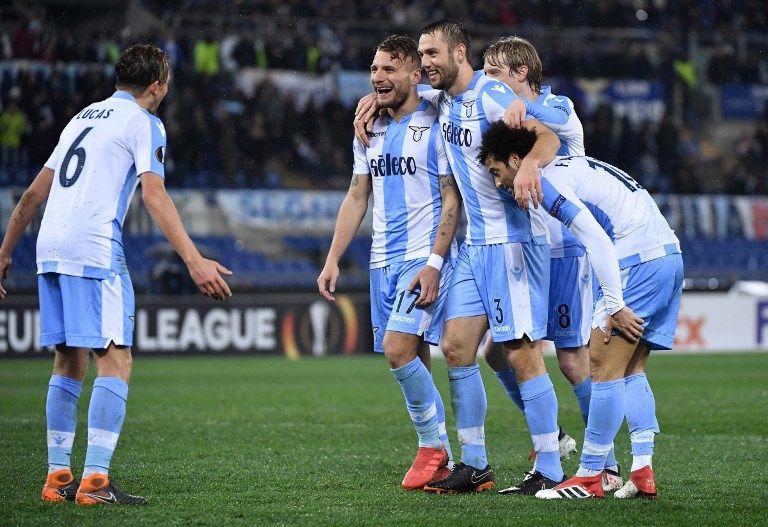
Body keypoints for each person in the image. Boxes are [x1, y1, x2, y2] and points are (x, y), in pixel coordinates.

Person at [0, 44, 233, 506]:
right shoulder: (145, 122)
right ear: (158, 84)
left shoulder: (83, 116)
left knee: (68, 359)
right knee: (116, 359)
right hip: (93, 245)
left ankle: (57, 476)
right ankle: (96, 481)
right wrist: (194, 259)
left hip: (49, 245)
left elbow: (31, 194)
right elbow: (154, 194)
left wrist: (5, 252)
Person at [391, 20, 563, 495]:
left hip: (512, 244)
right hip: (472, 249)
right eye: (421, 56)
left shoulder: (492, 96)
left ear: (459, 52)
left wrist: (529, 162)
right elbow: (404, 95)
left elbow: (548, 138)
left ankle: (550, 466)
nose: (424, 63)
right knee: (455, 348)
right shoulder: (443, 102)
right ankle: (475, 464)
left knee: (522, 353)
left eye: (432, 54)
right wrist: (372, 100)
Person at [476, 122, 682, 500]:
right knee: (630, 368)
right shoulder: (570, 165)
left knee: (601, 366)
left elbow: (597, 238)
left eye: (497, 172)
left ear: (517, 159)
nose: (499, 184)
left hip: (635, 260)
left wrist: (615, 304)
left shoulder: (548, 180)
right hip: (668, 255)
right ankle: (642, 468)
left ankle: (590, 475)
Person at [316, 34, 461, 490]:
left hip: (422, 258)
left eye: (388, 70)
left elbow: (448, 197)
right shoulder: (369, 127)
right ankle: (447, 458)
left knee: (399, 352)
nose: (378, 77)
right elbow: (358, 195)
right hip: (382, 259)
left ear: (414, 75)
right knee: (413, 355)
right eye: (374, 69)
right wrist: (333, 258)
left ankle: (431, 448)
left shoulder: (438, 119)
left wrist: (436, 260)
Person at [481, 36, 622, 494]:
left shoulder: (554, 106)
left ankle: (608, 463)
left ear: (521, 73)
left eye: (496, 70)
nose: (488, 79)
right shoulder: (504, 118)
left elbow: (556, 125)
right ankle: (553, 439)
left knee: (572, 360)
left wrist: (524, 109)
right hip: (532, 246)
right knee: (499, 351)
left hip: (568, 248)